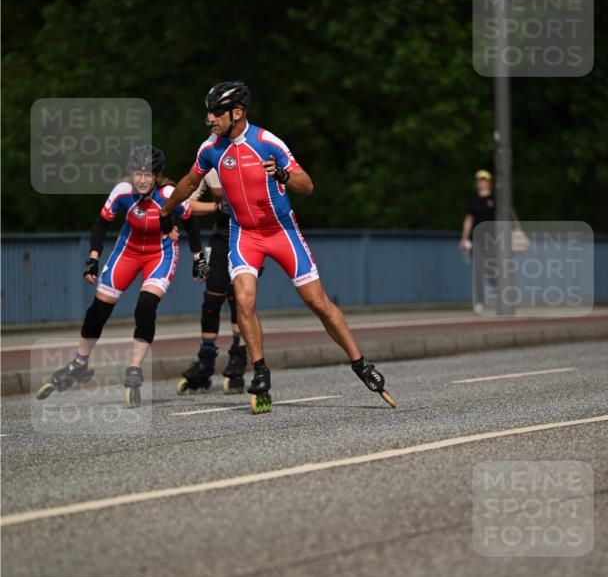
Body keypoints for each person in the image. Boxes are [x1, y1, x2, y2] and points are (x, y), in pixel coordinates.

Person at [160, 80, 396, 413]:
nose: (210, 119)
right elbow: (188, 182)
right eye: (208, 113)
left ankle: (360, 362)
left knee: (317, 302)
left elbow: (308, 185)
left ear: (237, 112)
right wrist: (164, 212)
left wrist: (283, 174)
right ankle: (260, 372)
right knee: (243, 299)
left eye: (216, 113)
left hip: (281, 231)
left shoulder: (266, 141)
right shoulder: (210, 148)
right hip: (244, 234)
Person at [36, 145, 208, 407]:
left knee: (146, 306)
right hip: (127, 251)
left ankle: (135, 367)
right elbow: (101, 223)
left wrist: (198, 259)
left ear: (157, 176)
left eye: (147, 174)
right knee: (98, 310)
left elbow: (190, 223)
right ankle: (80, 362)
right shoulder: (122, 192)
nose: (141, 179)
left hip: (159, 254)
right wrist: (93, 258)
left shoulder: (170, 194)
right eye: (137, 173)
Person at [175, 121, 249, 395]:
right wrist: (217, 205)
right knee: (212, 298)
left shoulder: (248, 147)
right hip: (222, 232)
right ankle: (206, 360)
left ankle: (238, 359)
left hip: (250, 234)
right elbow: (186, 202)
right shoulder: (207, 154)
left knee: (238, 297)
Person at [459, 169, 496, 310]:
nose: (482, 183)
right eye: (479, 180)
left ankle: (501, 293)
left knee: (492, 270)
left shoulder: (495, 198)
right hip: (478, 239)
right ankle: (480, 301)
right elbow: (469, 219)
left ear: (489, 182)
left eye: (484, 180)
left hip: (494, 240)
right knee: (478, 271)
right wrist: (464, 238)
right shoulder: (473, 200)